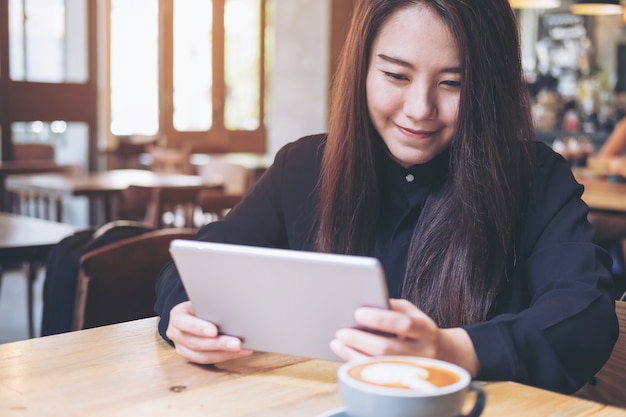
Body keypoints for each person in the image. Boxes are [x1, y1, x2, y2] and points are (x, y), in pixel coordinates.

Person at [154, 0, 618, 395]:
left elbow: (585, 316)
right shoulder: (303, 166)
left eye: (453, 83)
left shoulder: (535, 179)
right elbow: (199, 263)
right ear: (362, 68)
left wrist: (450, 350)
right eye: (396, 75)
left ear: (489, 86)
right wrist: (183, 316)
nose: (420, 109)